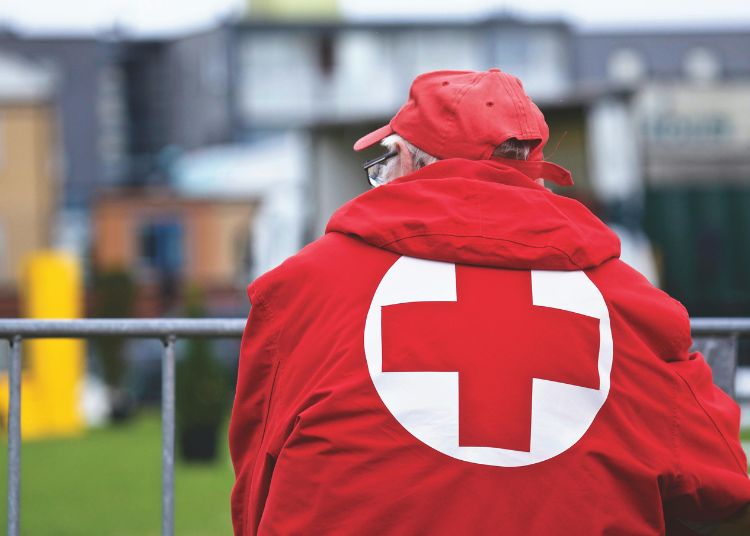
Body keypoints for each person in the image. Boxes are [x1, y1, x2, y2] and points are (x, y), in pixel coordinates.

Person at [229, 69, 750, 535]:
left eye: (383, 162)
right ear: (536, 173)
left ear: (405, 159)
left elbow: (256, 490)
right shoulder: (633, 307)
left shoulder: (303, 290)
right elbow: (724, 489)